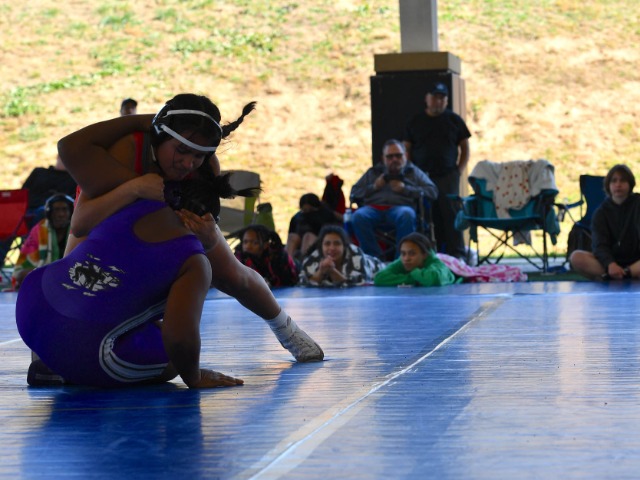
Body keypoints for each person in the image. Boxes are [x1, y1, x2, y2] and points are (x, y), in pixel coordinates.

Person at [58, 93, 323, 364]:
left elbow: (203, 241)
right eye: (182, 150)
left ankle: (286, 329)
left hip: (163, 221)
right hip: (107, 223)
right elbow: (80, 224)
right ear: (160, 134)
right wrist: (134, 188)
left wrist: (208, 240)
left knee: (230, 273)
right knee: (71, 283)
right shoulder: (128, 150)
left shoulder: (205, 169)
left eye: (198, 156)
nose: (188, 163)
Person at [16, 173, 249, 388]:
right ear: (208, 222)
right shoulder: (194, 261)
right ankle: (65, 369)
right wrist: (194, 376)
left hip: (31, 305)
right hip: (81, 341)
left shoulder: (131, 207)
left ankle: (48, 358)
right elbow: (179, 339)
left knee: (126, 315)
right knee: (173, 361)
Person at [403, 82, 471, 259]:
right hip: (422, 177)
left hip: (448, 176)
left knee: (451, 214)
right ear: (427, 99)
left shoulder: (454, 120)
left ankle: (457, 255)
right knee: (427, 216)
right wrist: (412, 173)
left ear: (447, 101)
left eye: (442, 98)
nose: (438, 101)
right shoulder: (415, 121)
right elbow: (406, 149)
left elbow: (465, 147)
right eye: (435, 97)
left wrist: (458, 171)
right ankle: (429, 254)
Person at [349, 139, 438, 260]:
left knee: (406, 214)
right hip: (373, 209)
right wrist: (374, 187)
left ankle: (400, 260)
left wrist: (405, 189)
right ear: (383, 158)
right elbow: (354, 192)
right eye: (390, 157)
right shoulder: (373, 172)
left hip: (401, 209)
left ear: (405, 155)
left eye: (398, 156)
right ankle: (374, 259)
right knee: (358, 216)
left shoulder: (413, 172)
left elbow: (433, 192)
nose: (394, 159)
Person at [570, 164, 640, 280]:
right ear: (608, 185)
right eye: (614, 181)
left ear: (630, 184)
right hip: (610, 263)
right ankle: (617, 274)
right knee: (576, 257)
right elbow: (599, 244)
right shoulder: (601, 213)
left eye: (622, 180)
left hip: (636, 262)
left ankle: (622, 274)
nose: (618, 184)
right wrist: (610, 264)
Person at [10, 193, 74, 291]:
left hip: (70, 272)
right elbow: (23, 267)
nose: (61, 214)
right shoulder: (39, 230)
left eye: (64, 209)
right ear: (49, 213)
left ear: (71, 212)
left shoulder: (77, 230)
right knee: (22, 275)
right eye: (56, 210)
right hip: (45, 273)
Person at [299, 225, 384, 287]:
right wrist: (320, 271)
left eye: (337, 243)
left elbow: (358, 283)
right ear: (321, 246)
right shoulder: (314, 257)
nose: (332, 248)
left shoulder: (356, 255)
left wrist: (332, 271)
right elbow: (303, 282)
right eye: (327, 244)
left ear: (344, 246)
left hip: (379, 270)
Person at [373, 232, 456, 287]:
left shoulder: (435, 263)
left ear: (424, 255)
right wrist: (413, 279)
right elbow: (379, 278)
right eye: (403, 253)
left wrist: (413, 273)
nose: (406, 258)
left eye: (412, 253)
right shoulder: (402, 261)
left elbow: (435, 279)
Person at [234, 224, 298, 288]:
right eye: (245, 242)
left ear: (266, 245)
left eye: (255, 243)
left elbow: (289, 281)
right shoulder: (239, 259)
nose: (248, 246)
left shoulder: (278, 258)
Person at [20, 155, 77, 227]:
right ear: (58, 156)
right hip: (29, 209)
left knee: (44, 211)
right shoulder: (39, 172)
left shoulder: (74, 179)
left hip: (53, 211)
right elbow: (22, 194)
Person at [286, 193, 342, 261]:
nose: (308, 213)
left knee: (308, 236)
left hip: (318, 241)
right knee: (292, 236)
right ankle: (288, 261)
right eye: (304, 210)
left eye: (310, 210)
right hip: (299, 242)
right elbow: (292, 231)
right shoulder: (298, 217)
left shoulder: (326, 214)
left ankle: (303, 261)